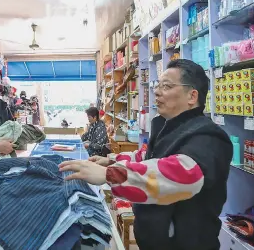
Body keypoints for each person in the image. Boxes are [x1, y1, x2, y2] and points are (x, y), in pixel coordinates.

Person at [59, 59, 233, 250]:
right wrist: (110, 161)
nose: (157, 91)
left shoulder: (209, 137)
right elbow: (147, 158)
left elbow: (183, 174)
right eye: (158, 85)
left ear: (192, 96)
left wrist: (110, 175)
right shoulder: (168, 126)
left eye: (166, 86)